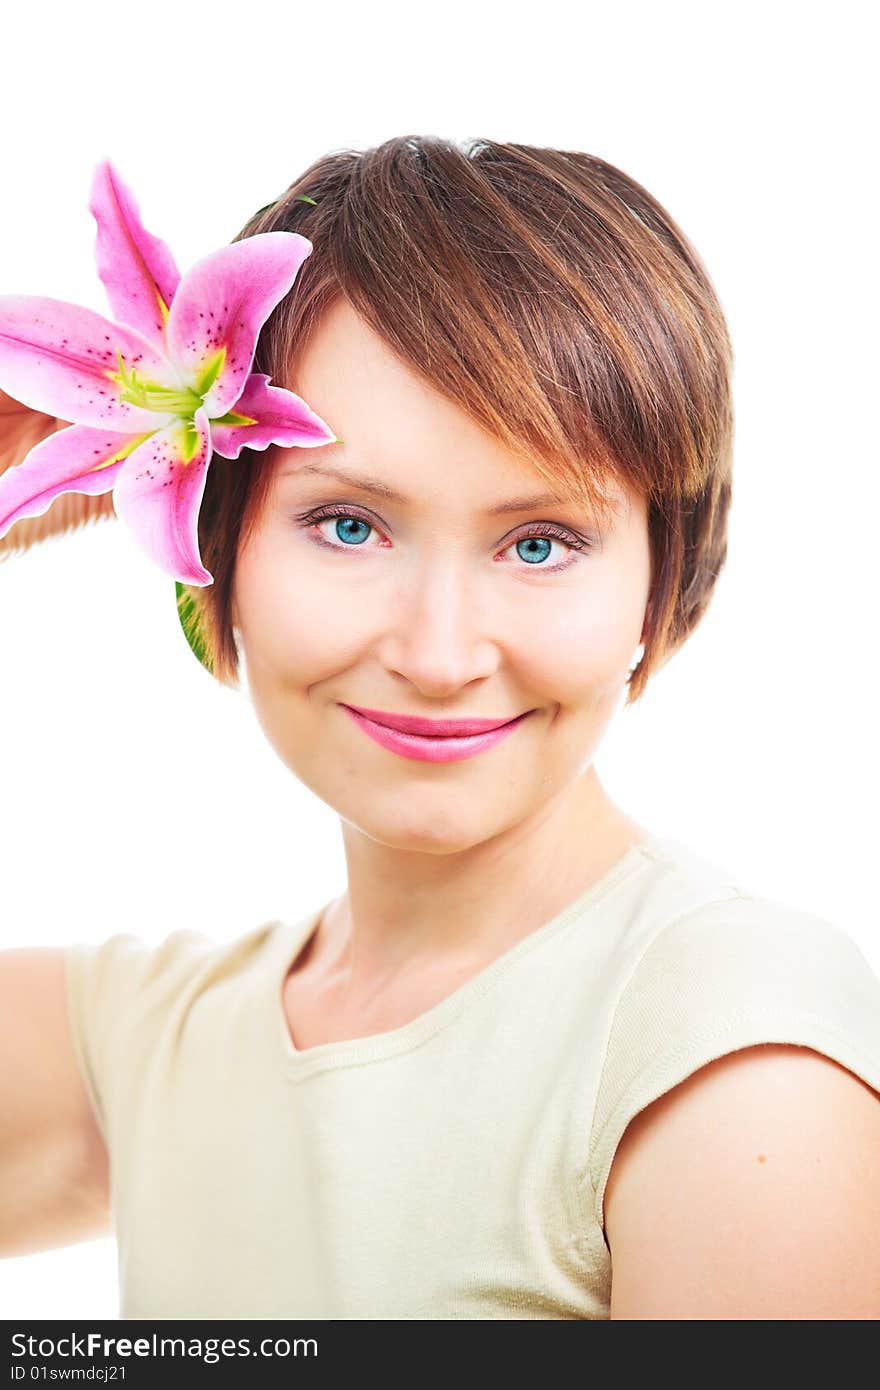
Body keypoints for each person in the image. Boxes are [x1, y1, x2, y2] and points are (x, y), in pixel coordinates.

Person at [1, 135, 879, 1320]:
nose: (438, 651)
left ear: (661, 582)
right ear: (216, 548)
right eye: (349, 525)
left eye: (540, 543)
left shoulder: (730, 1044)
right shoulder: (150, 1041)